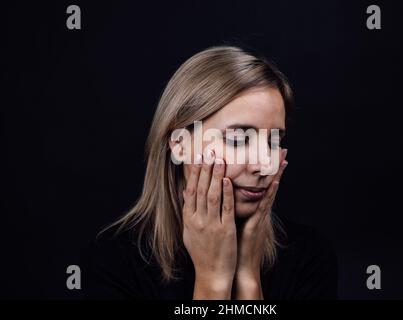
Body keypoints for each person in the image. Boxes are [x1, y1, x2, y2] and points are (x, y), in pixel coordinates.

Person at [82, 45, 337, 299]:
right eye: (238, 138)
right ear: (180, 144)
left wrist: (248, 280)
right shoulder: (112, 262)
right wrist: (213, 281)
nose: (265, 164)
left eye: (273, 140)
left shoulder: (309, 257)